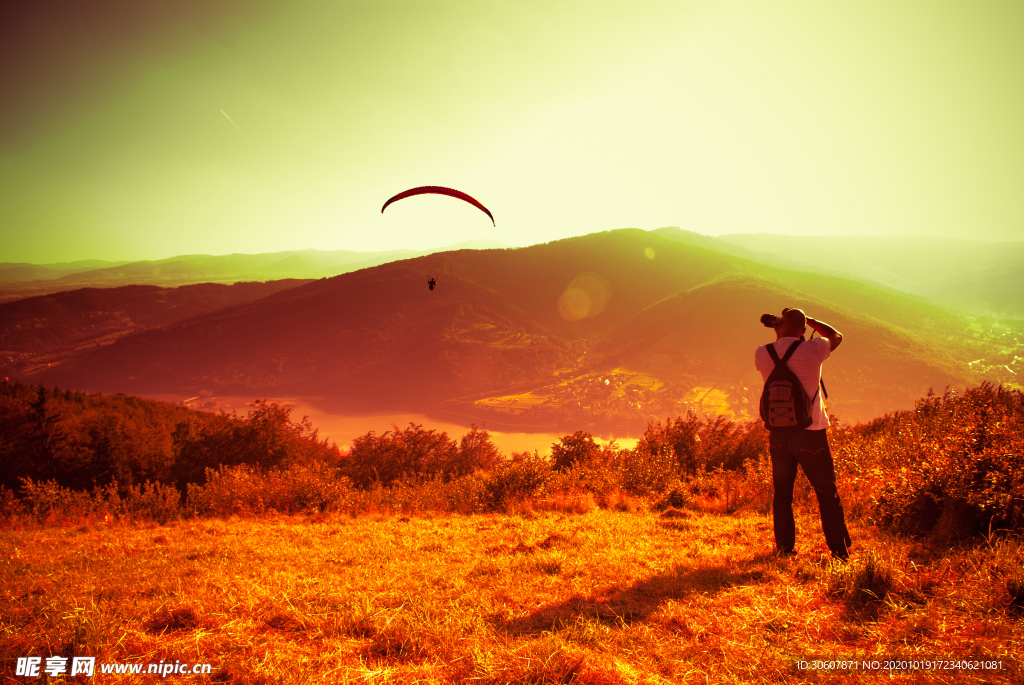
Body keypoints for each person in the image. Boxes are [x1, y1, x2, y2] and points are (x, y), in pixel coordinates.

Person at [755, 308, 852, 561]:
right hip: (811, 433)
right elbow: (836, 335)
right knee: (826, 493)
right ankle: (840, 551)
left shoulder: (762, 352)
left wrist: (781, 333)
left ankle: (785, 549)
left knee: (782, 494)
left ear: (780, 326)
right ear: (802, 329)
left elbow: (781, 352)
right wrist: (810, 321)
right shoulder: (813, 349)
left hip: (778, 434)